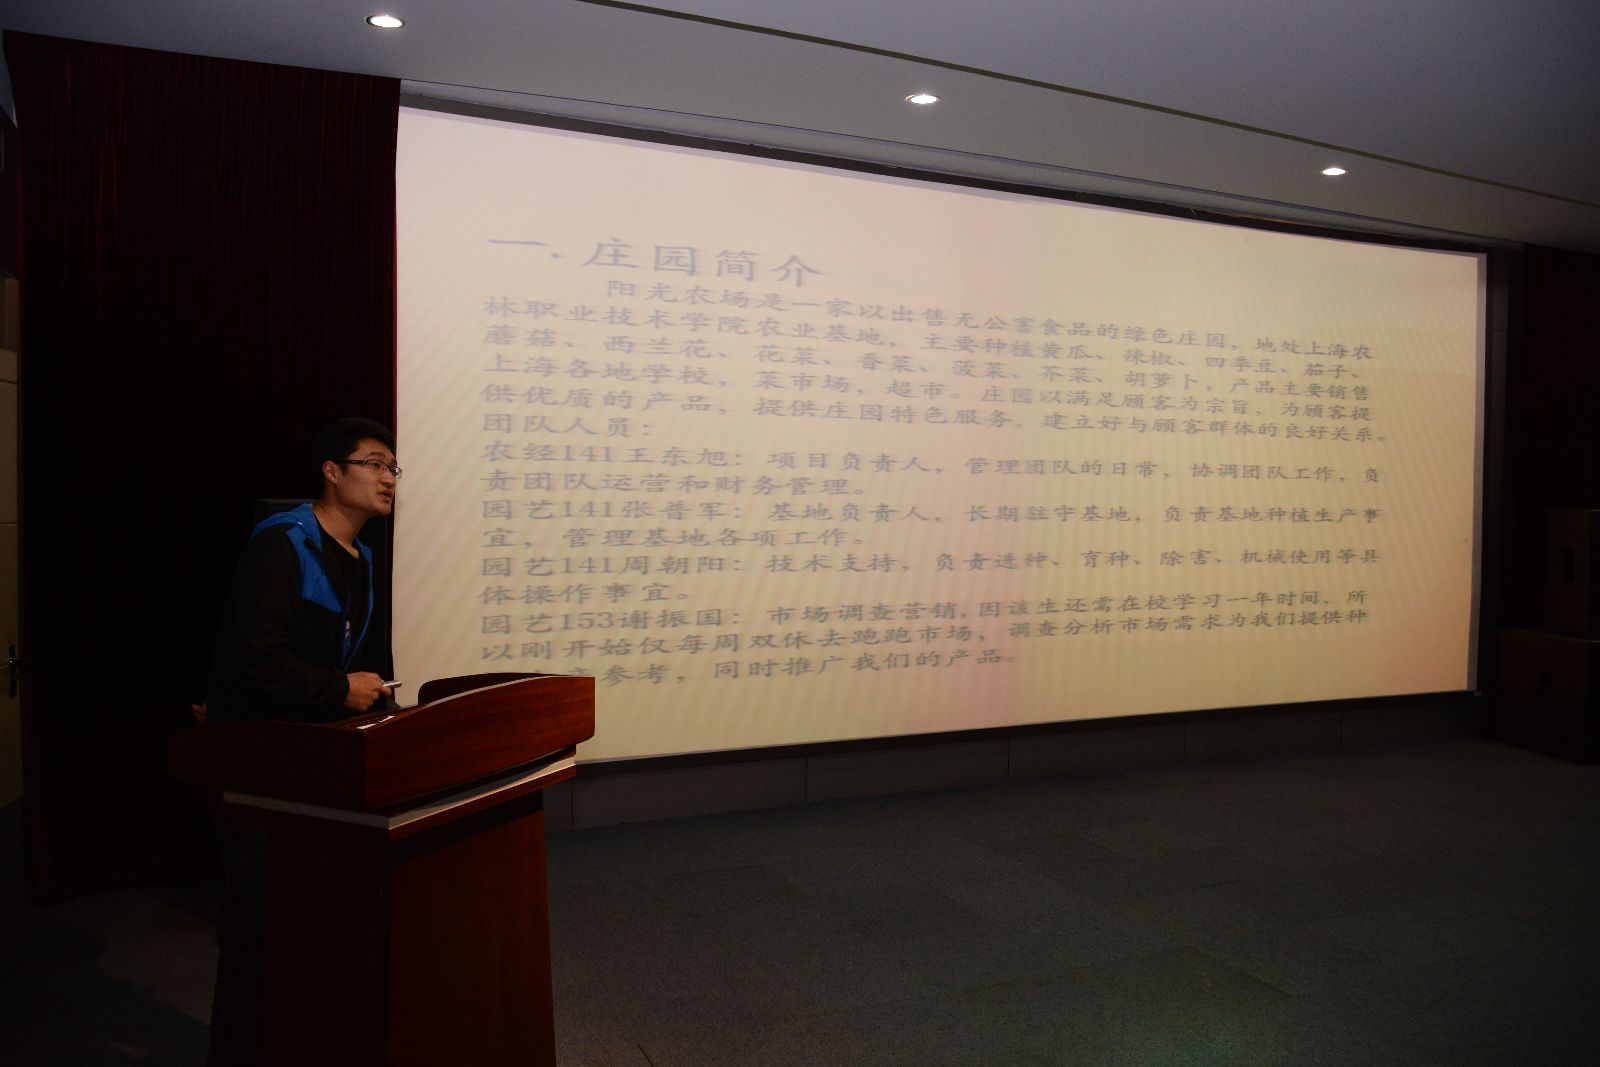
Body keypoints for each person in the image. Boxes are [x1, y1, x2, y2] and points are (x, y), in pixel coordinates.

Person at [203, 416, 399, 1065]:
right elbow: (255, 659)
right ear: (331, 472)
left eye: (393, 468)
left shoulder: (364, 558)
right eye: (373, 464)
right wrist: (339, 689)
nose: (387, 478)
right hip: (261, 767)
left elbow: (361, 659)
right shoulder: (283, 543)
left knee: (313, 929)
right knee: (255, 931)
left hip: (318, 766)